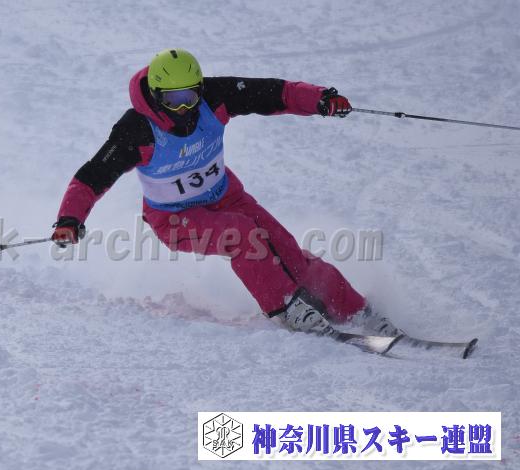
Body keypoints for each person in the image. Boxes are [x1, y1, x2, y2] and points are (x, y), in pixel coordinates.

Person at [52, 48, 401, 337]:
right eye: (173, 100)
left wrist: (320, 99)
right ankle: (285, 307)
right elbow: (93, 175)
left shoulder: (213, 97)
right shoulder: (136, 130)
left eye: (190, 96)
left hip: (225, 197)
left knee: (285, 248)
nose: (184, 108)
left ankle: (353, 310)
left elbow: (272, 92)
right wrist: (70, 218)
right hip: (174, 218)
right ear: (157, 96)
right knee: (242, 235)